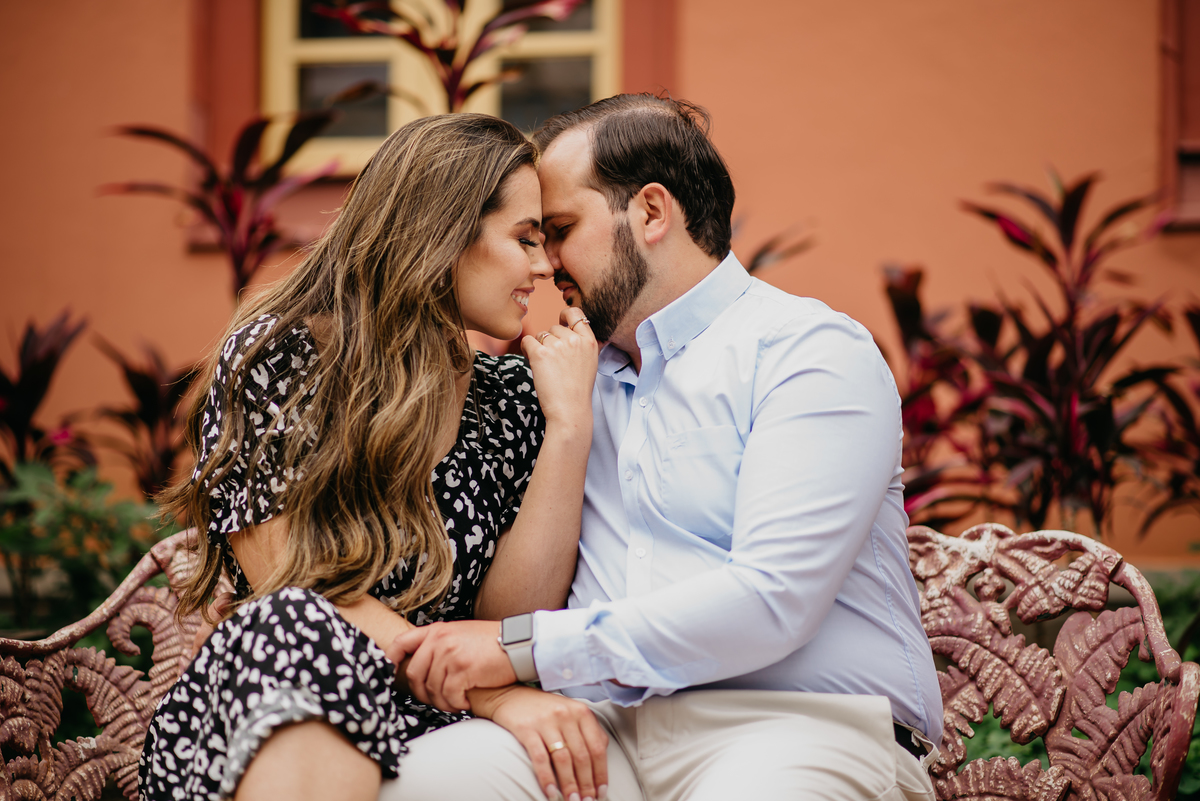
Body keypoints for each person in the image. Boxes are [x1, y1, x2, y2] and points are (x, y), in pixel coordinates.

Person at [384, 94, 944, 801]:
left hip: (796, 726)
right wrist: (566, 425)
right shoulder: (561, 387)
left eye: (559, 229)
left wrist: (524, 649)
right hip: (597, 730)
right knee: (432, 782)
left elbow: (773, 597)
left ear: (651, 212)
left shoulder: (808, 354)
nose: (545, 263)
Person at [139, 113, 612, 801]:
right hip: (281, 696)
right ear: (445, 232)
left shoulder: (511, 397)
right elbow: (291, 582)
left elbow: (510, 614)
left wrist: (570, 427)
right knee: (297, 624)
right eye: (526, 239)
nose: (545, 267)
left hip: (443, 726)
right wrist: (494, 698)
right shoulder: (279, 358)